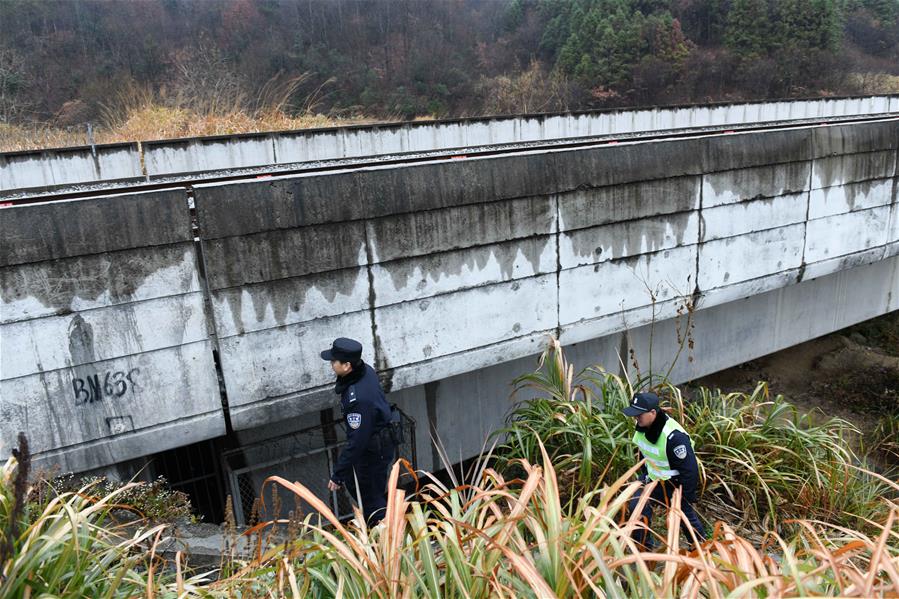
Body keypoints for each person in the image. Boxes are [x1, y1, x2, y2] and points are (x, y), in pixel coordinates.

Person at [322, 337, 394, 525]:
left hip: (372, 450)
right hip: (378, 443)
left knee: (371, 499)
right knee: (366, 489)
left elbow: (357, 441)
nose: (331, 364)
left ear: (347, 366)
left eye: (334, 361)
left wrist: (338, 474)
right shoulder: (365, 370)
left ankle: (385, 538)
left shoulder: (357, 400)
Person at [622, 392, 706, 550]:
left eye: (639, 414)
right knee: (637, 505)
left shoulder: (674, 437)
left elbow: (690, 471)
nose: (636, 418)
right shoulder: (642, 427)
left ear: (653, 413)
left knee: (684, 516)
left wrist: (685, 498)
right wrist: (645, 476)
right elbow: (644, 456)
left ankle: (701, 550)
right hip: (652, 479)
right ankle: (644, 549)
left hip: (675, 484)